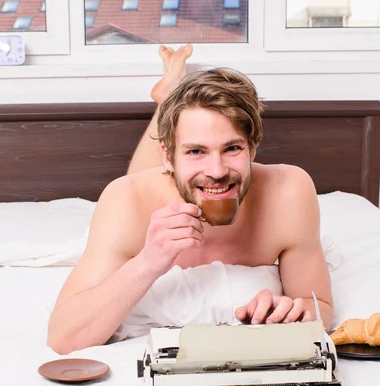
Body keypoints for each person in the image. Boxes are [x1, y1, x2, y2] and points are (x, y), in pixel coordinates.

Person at [47, 45, 333, 355]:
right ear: (168, 157)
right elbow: (63, 338)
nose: (217, 171)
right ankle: (168, 96)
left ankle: (173, 97)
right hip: (148, 190)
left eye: (232, 149)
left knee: (192, 178)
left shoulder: (289, 192)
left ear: (253, 147)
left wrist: (293, 313)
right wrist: (148, 261)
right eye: (195, 151)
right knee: (140, 181)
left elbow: (321, 307)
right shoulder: (125, 201)